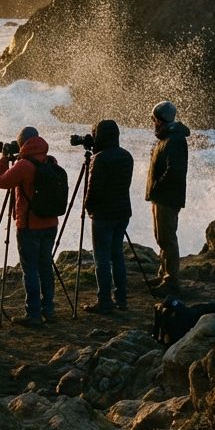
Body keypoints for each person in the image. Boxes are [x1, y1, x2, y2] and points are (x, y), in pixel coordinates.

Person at [0, 126, 59, 328]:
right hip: (50, 223)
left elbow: (1, 182)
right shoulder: (50, 161)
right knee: (45, 267)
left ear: (22, 143)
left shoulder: (23, 165)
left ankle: (32, 313)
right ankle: (48, 310)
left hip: (29, 226)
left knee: (30, 270)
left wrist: (4, 159)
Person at [83, 120, 134, 313]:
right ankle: (121, 298)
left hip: (103, 215)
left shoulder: (100, 159)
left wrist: (88, 207)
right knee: (117, 255)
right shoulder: (126, 156)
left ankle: (104, 300)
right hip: (122, 212)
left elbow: (93, 190)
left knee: (102, 258)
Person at [146, 100, 190, 295]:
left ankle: (171, 281)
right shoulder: (166, 138)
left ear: (161, 119)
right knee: (161, 237)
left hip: (167, 197)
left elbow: (175, 171)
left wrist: (157, 186)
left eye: (154, 118)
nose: (153, 122)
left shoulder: (174, 140)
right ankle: (164, 273)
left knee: (167, 238)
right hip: (161, 196)